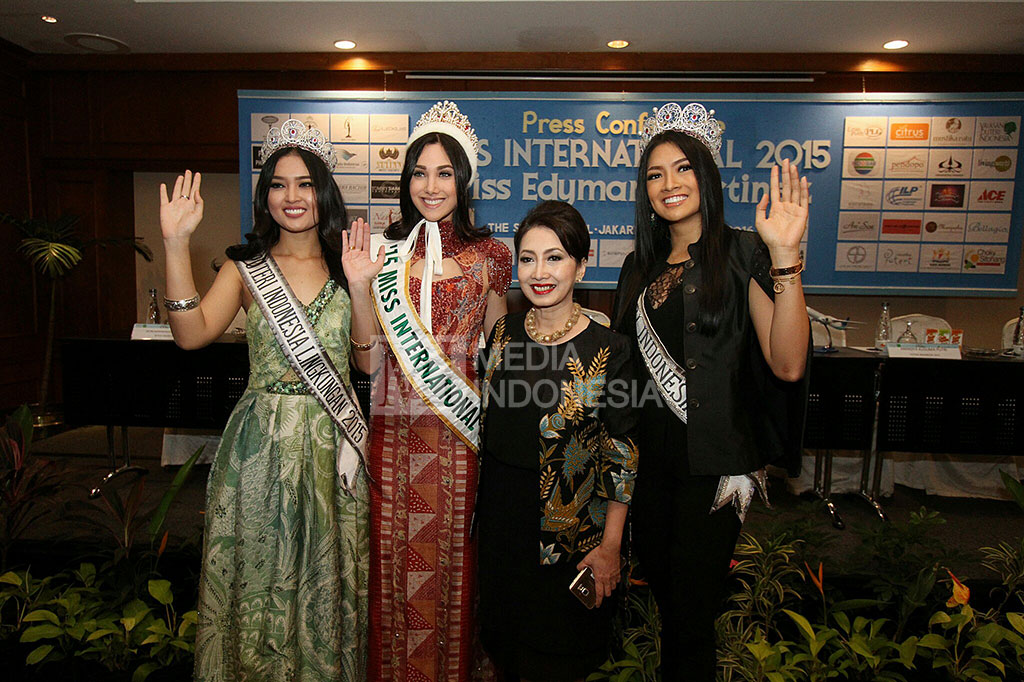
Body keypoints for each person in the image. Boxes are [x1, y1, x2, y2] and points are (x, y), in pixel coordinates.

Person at [160, 119, 369, 682]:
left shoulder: (350, 265)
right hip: (260, 450)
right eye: (278, 184)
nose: (292, 196)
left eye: (304, 183)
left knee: (325, 580)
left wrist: (361, 288)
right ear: (266, 196)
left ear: (322, 190)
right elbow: (190, 333)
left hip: (332, 448)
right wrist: (176, 243)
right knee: (259, 576)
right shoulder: (246, 270)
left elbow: (367, 364)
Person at [611, 102, 810, 681]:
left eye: (682, 169)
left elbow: (788, 362)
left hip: (715, 470)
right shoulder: (636, 268)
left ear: (708, 175)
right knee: (671, 608)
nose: (668, 184)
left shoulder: (744, 251)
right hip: (650, 470)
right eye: (654, 174)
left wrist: (786, 257)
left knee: (693, 619)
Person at [343, 100, 511, 682]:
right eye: (419, 172)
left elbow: (500, 347)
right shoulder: (383, 252)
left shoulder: (493, 254)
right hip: (393, 433)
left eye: (444, 172)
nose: (430, 185)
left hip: (458, 433)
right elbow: (365, 360)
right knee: (393, 565)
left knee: (455, 565)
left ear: (464, 179)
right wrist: (362, 289)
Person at [476, 200, 639, 682]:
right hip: (504, 529)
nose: (539, 272)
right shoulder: (503, 333)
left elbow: (623, 458)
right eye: (527, 259)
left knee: (560, 660)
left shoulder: (611, 349)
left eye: (555, 257)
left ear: (581, 264)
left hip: (570, 541)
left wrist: (611, 545)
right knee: (506, 649)